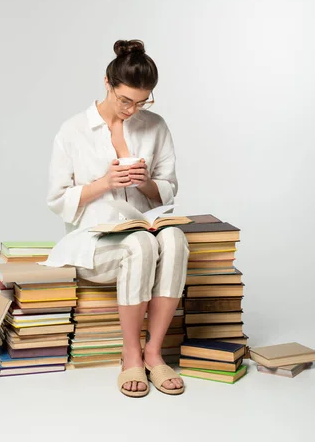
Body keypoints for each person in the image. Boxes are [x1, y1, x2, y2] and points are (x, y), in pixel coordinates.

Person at [41, 39, 189, 397]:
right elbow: (57, 199)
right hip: (94, 244)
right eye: (125, 100)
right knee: (139, 244)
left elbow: (169, 188)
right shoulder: (73, 131)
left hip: (146, 230)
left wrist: (148, 183)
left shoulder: (154, 126)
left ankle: (153, 353)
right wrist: (103, 184)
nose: (132, 109)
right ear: (107, 83)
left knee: (174, 239)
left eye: (141, 101)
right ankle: (131, 355)